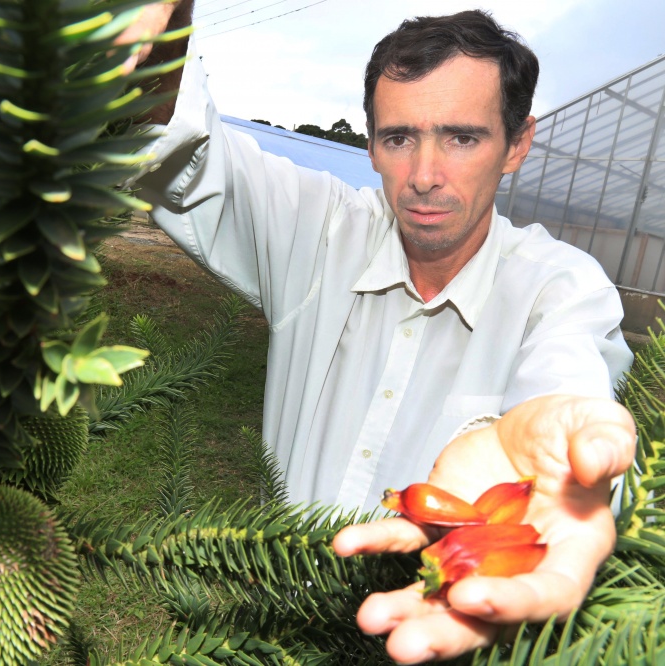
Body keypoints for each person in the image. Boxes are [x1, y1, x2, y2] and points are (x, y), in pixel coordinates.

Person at [117, 3, 638, 663]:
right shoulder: (318, 232)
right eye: (398, 138)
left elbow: (567, 383)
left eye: (462, 138)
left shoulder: (558, 289)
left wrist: (559, 454)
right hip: (270, 627)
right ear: (370, 145)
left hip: (430, 634)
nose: (423, 175)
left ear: (517, 144)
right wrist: (163, 24)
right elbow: (183, 146)